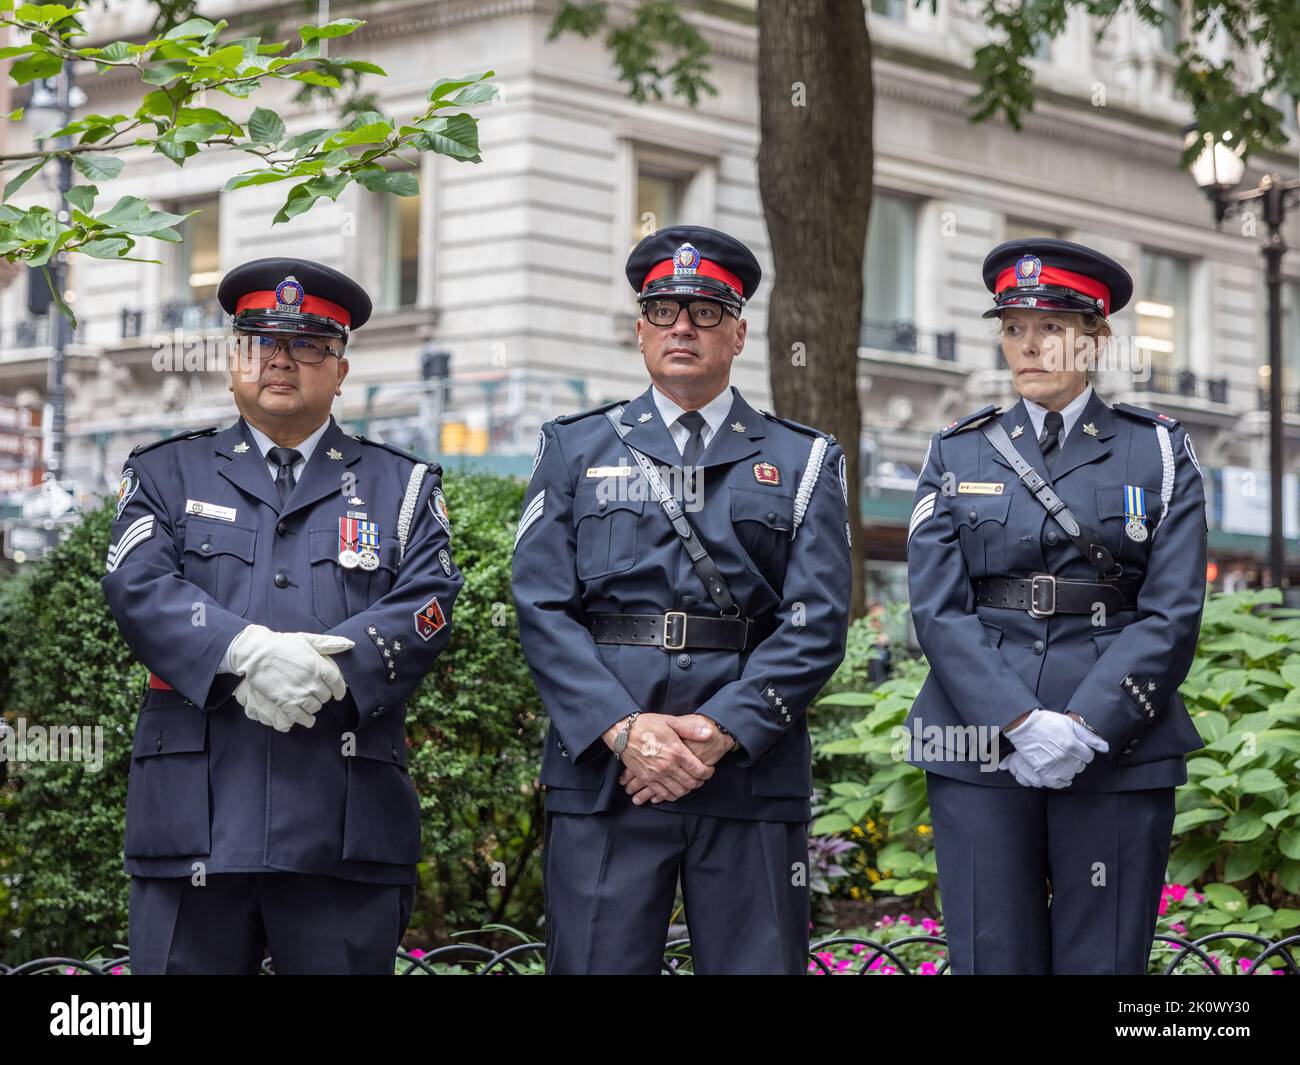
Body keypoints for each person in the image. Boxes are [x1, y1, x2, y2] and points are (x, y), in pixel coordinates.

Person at [101, 257, 463, 974]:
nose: (280, 360)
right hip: (196, 820)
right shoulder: (165, 473)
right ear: (232, 360)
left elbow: (427, 601)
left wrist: (327, 670)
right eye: (261, 342)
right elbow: (136, 583)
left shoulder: (401, 485)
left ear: (341, 369)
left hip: (344, 822)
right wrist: (245, 651)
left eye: (307, 345)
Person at [511, 225, 852, 974]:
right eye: (663, 311)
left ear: (739, 333)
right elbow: (540, 604)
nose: (683, 328)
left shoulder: (802, 458)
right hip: (609, 772)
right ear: (641, 331)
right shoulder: (575, 446)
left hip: (748, 770)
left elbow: (818, 620)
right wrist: (621, 727)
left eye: (705, 312)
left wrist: (722, 729)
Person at [904, 237, 1208, 974]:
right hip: (980, 741)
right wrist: (1016, 719)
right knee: (991, 954)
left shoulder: (1158, 452)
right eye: (1014, 328)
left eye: (1051, 327)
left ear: (1096, 339)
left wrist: (1086, 725)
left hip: (1116, 744)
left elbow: (1172, 611)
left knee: (1105, 959)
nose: (1029, 345)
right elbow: (937, 607)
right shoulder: (958, 451)